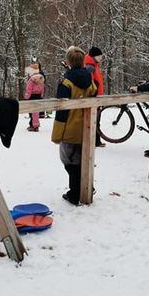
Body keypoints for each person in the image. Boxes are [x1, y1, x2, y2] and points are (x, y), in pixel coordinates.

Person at [51, 46, 97, 206]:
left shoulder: (66, 82)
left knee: (69, 161)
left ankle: (75, 193)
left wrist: (57, 134)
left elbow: (61, 111)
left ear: (69, 62)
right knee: (83, 159)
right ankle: (86, 187)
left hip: (70, 129)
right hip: (86, 128)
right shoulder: (90, 79)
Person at [84, 46, 106, 147]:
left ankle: (96, 141)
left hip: (97, 97)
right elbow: (90, 83)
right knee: (95, 120)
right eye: (99, 56)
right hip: (94, 97)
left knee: (96, 120)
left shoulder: (94, 65)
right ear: (94, 56)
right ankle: (94, 141)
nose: (101, 57)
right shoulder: (90, 67)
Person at [24, 67, 45, 132]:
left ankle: (33, 126)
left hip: (32, 96)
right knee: (36, 112)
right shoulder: (41, 78)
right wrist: (41, 95)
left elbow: (29, 89)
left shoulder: (31, 80)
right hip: (38, 96)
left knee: (31, 112)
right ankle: (35, 125)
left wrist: (27, 96)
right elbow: (43, 88)